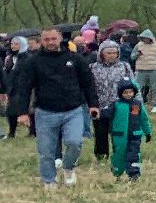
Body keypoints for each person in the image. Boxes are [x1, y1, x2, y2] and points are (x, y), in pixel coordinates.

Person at [9, 27, 98, 188]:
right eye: (46, 39)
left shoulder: (75, 59)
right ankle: (49, 180)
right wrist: (22, 112)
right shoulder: (33, 61)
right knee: (46, 151)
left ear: (60, 39)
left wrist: (93, 105)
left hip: (73, 111)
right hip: (45, 112)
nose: (50, 42)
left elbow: (88, 83)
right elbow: (24, 88)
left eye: (53, 39)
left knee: (74, 142)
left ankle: (69, 167)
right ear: (41, 41)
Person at [88, 42, 132, 163]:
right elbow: (88, 87)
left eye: (115, 53)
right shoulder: (93, 68)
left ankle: (120, 155)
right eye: (109, 53)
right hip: (100, 106)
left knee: (119, 132)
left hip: (119, 105)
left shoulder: (124, 66)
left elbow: (133, 85)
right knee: (100, 133)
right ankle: (101, 156)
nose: (112, 55)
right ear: (102, 53)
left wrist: (135, 103)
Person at [106, 79, 151, 180]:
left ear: (134, 92)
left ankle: (134, 173)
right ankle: (117, 171)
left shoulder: (137, 104)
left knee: (134, 153)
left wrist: (148, 132)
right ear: (120, 93)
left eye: (130, 92)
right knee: (119, 153)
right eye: (125, 92)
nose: (128, 94)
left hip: (135, 135)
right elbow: (107, 115)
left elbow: (143, 119)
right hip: (119, 135)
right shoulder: (116, 105)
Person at [131, 29, 156, 110]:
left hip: (154, 69)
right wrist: (137, 54)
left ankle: (155, 105)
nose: (145, 39)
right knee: (137, 88)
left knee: (155, 88)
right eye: (143, 37)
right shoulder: (138, 45)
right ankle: (136, 105)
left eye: (146, 37)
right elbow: (132, 56)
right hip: (140, 69)